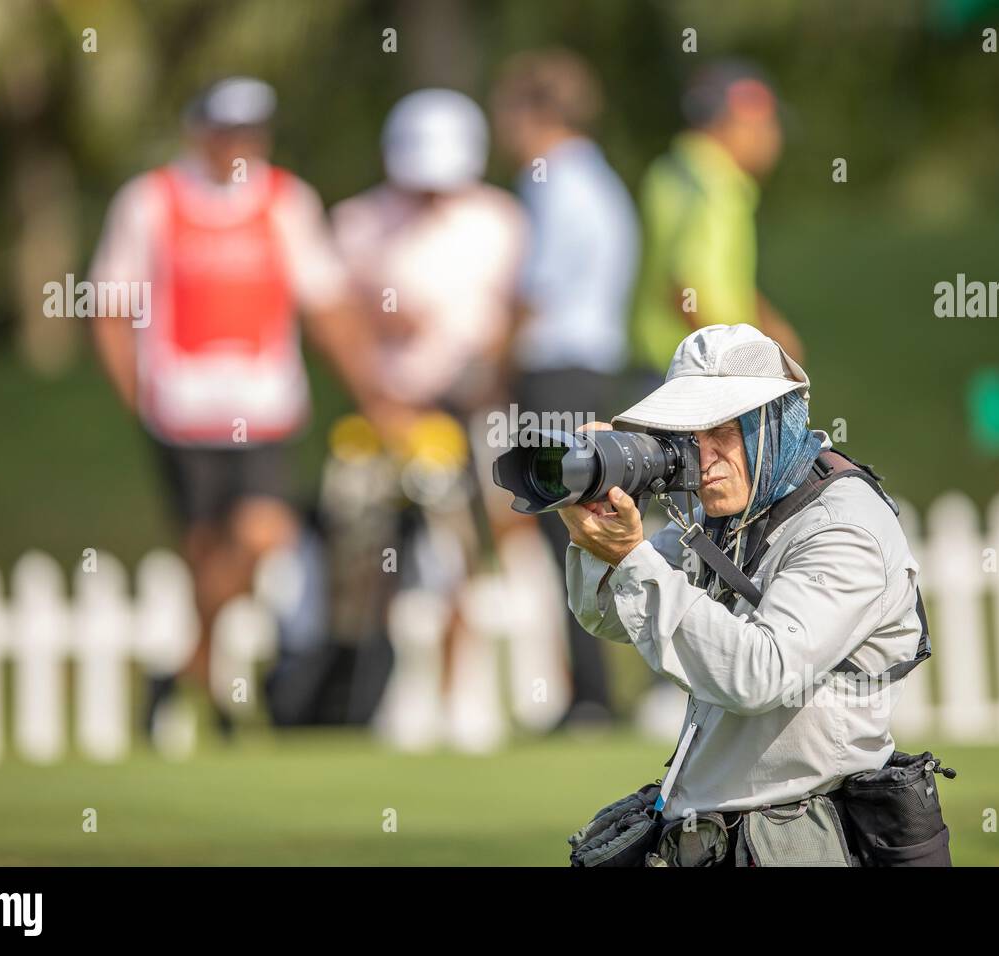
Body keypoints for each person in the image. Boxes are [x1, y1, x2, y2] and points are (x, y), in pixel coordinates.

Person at [561, 323, 941, 866]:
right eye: (689, 433)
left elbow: (758, 673)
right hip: (720, 833)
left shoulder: (843, 528)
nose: (704, 455)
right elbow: (606, 616)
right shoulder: (731, 513)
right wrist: (597, 527)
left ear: (773, 423)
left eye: (724, 431)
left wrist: (631, 556)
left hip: (806, 837)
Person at [89, 76, 375, 737]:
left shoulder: (286, 201)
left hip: (264, 407)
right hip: (182, 411)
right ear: (200, 133)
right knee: (201, 554)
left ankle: (182, 668)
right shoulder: (150, 202)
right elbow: (110, 307)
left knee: (259, 536)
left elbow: (327, 304)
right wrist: (137, 395)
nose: (239, 146)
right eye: (228, 132)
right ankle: (208, 690)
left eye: (251, 132)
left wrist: (371, 389)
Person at [330, 88, 530, 751]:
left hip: (467, 414)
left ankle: (456, 695)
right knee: (373, 561)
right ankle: (385, 695)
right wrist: (380, 389)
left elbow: (509, 320)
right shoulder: (359, 223)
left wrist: (488, 382)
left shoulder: (499, 221)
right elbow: (338, 316)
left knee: (459, 558)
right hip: (386, 418)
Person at [491, 49, 640, 727]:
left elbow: (535, 295)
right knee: (581, 522)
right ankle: (594, 690)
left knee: (570, 528)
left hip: (557, 371)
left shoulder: (556, 183)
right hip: (591, 366)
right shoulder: (598, 180)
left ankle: (591, 694)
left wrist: (491, 368)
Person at [631, 60, 804, 381]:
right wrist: (747, 365)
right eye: (767, 124)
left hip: (662, 365)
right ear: (736, 119)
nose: (773, 139)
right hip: (695, 374)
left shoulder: (672, 169)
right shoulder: (713, 184)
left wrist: (767, 323)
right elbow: (685, 288)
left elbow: (713, 278)